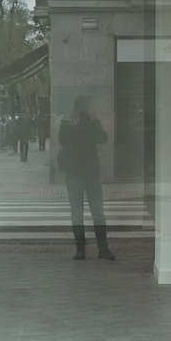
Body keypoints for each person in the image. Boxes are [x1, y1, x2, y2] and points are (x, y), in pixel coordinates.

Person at [57, 97, 112, 261]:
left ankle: (98, 248)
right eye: (88, 108)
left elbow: (103, 138)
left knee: (95, 213)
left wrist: (94, 121)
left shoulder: (92, 123)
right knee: (80, 213)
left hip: (89, 173)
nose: (90, 110)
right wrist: (72, 124)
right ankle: (84, 248)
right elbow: (62, 140)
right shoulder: (69, 123)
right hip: (76, 174)